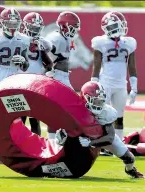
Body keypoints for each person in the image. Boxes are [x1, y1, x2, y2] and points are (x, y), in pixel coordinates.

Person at [55, 81, 144, 178]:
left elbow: (110, 137)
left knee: (130, 158)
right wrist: (62, 136)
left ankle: (130, 170)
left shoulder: (106, 112)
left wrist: (91, 142)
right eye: (96, 101)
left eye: (100, 101)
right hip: (83, 135)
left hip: (102, 137)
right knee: (63, 145)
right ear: (85, 98)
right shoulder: (76, 109)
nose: (99, 104)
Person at [0, 8, 30, 163]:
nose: (12, 25)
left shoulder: (23, 39)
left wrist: (23, 62)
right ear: (2, 22)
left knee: (16, 118)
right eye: (9, 21)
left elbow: (26, 66)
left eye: (15, 22)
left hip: (15, 81)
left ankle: (11, 149)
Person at [91, 11, 138, 142]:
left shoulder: (129, 42)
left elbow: (132, 66)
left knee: (119, 117)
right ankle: (102, 144)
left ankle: (118, 144)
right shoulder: (100, 42)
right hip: (104, 84)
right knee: (102, 116)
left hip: (121, 85)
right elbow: (96, 66)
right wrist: (94, 84)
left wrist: (134, 87)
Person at [44, 11, 81, 140]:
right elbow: (44, 56)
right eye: (72, 27)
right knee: (67, 109)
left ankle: (60, 139)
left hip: (63, 76)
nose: (74, 31)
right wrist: (49, 72)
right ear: (63, 25)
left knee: (69, 110)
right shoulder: (55, 38)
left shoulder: (65, 38)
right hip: (56, 77)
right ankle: (54, 140)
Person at [20, 12, 53, 136]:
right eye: (33, 27)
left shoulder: (44, 43)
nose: (35, 31)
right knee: (21, 117)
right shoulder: (19, 39)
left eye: (38, 28)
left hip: (36, 84)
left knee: (35, 119)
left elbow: (48, 63)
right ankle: (19, 144)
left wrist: (47, 71)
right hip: (21, 82)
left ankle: (36, 146)